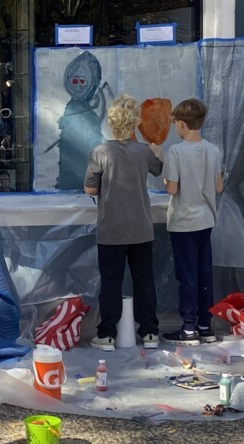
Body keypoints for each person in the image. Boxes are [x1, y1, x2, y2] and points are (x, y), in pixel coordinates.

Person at [84, 94, 163, 352]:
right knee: (144, 281)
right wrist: (157, 152)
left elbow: (90, 190)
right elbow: (158, 169)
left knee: (111, 282)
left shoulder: (101, 152)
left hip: (111, 230)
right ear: (135, 123)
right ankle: (150, 332)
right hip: (141, 227)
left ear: (111, 122)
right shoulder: (143, 152)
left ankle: (106, 335)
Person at [161, 99, 224, 346]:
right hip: (206, 219)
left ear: (182, 123)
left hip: (183, 221)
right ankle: (205, 325)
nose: (175, 127)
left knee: (187, 275)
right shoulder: (213, 150)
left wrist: (166, 179)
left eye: (176, 122)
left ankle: (188, 329)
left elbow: (172, 189)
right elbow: (218, 186)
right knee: (204, 273)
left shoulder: (175, 151)